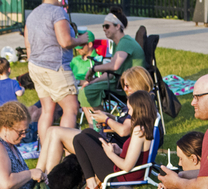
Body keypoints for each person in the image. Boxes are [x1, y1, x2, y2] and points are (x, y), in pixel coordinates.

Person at [35, 65, 153, 176]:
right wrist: (113, 118)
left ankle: (48, 178)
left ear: (137, 84)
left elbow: (124, 131)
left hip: (106, 147)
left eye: (128, 85)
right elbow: (128, 126)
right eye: (124, 85)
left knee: (55, 132)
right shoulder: (145, 104)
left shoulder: (137, 106)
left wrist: (106, 119)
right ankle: (39, 172)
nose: (125, 89)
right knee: (51, 131)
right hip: (105, 142)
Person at [24, 0, 89, 145]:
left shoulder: (32, 14)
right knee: (71, 109)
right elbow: (65, 41)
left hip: (36, 66)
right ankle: (64, 149)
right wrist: (81, 40)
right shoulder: (57, 12)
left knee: (47, 111)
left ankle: (46, 150)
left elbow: (28, 45)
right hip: (55, 67)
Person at [77, 90, 157, 189]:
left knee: (79, 139)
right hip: (123, 171)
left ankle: (91, 185)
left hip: (121, 176)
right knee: (88, 132)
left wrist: (110, 154)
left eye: (130, 109)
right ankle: (92, 183)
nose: (129, 113)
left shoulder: (139, 131)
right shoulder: (146, 125)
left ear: (138, 109)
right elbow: (137, 153)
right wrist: (119, 150)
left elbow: (127, 167)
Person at [79, 7, 145, 126]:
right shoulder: (117, 44)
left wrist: (93, 69)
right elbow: (113, 71)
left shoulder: (125, 42)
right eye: (103, 26)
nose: (104, 29)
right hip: (121, 81)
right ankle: (100, 125)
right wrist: (94, 81)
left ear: (118, 26)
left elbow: (114, 66)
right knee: (88, 88)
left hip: (133, 84)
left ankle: (97, 126)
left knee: (87, 91)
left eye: (107, 26)